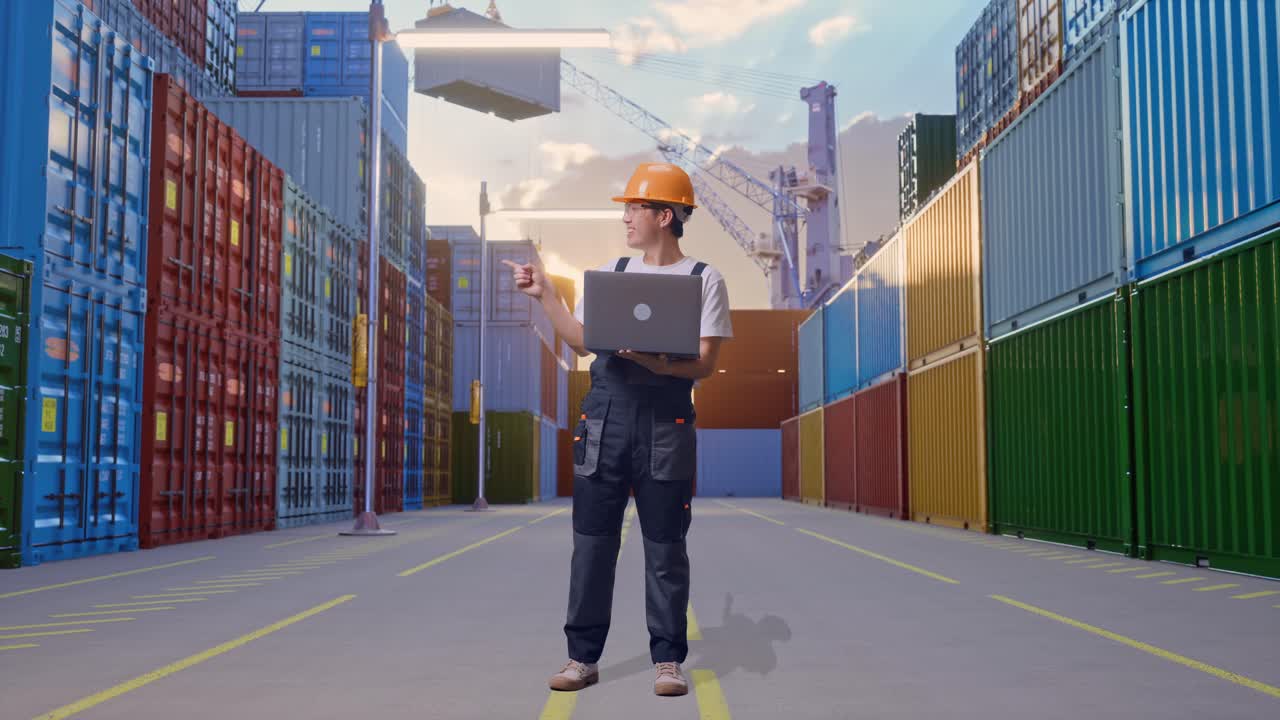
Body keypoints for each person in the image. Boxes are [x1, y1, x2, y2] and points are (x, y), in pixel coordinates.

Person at [503, 161, 733, 698]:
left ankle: (668, 660)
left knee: (665, 548)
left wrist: (659, 367)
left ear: (667, 215)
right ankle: (582, 658)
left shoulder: (705, 280)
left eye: (635, 207)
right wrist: (546, 297)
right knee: (591, 546)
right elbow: (583, 343)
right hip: (604, 422)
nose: (626, 217)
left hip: (667, 424)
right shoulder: (613, 272)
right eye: (627, 208)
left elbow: (705, 365)